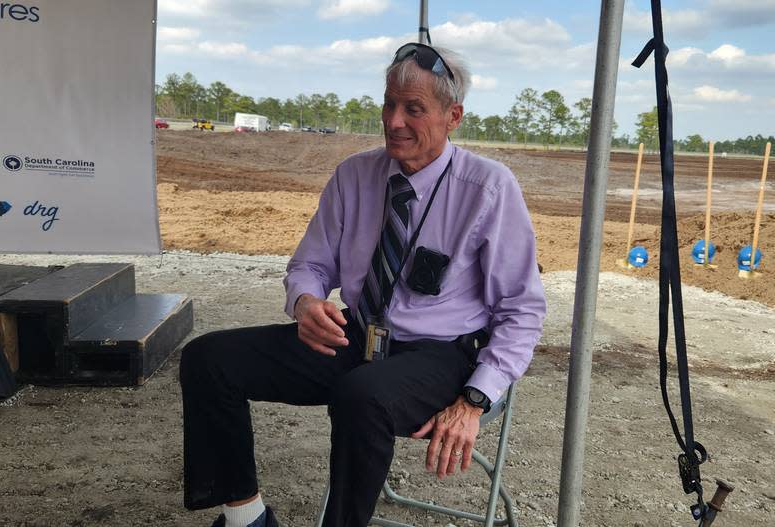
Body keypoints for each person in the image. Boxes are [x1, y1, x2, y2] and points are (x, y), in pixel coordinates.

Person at [179, 42, 546, 527]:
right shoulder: (354, 175)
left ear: (453, 115)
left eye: (414, 109)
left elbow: (521, 309)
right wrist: (306, 301)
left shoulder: (489, 189)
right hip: (357, 336)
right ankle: (246, 517)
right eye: (389, 104)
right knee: (208, 360)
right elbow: (309, 264)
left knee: (361, 395)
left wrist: (476, 399)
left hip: (440, 355)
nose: (395, 121)